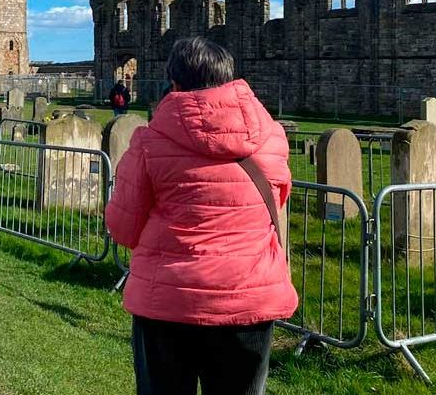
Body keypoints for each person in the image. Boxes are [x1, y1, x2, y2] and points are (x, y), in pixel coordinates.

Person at [106, 37, 296, 395]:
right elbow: (278, 204)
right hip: (248, 300)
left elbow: (121, 226)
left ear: (174, 84)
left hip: (167, 303)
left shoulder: (149, 142)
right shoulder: (272, 138)